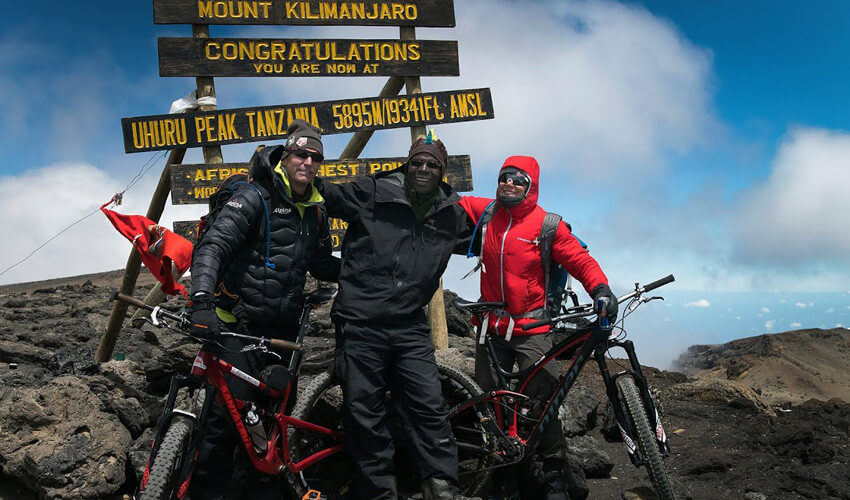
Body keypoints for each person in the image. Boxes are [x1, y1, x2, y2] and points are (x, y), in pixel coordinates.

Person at [314, 132, 476, 500]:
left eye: (431, 164)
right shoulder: (374, 191)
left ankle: (442, 489)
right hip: (360, 322)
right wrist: (290, 170)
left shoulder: (451, 215)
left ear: (442, 171)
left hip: (409, 327)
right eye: (417, 161)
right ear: (408, 163)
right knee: (364, 414)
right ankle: (380, 493)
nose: (422, 169)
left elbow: (497, 236)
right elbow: (326, 196)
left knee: (429, 408)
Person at [187, 119, 339, 499]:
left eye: (315, 157)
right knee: (225, 423)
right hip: (237, 325)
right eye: (300, 154)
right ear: (286, 156)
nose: (307, 162)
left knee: (273, 427)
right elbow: (213, 248)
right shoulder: (254, 198)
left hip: (285, 332)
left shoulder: (315, 210)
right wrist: (201, 302)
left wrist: (364, 270)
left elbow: (320, 263)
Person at [458, 156, 618, 500]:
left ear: (531, 186)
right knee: (492, 403)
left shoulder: (547, 226)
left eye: (519, 180)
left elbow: (580, 260)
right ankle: (503, 475)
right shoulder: (486, 214)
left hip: (533, 330)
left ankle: (555, 473)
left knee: (542, 403)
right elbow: (442, 197)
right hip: (491, 330)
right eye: (504, 178)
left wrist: (600, 289)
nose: (510, 184)